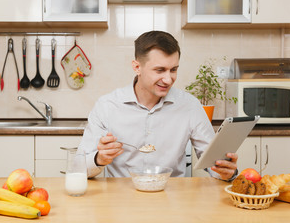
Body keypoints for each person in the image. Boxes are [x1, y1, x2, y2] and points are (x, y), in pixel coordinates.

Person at [78, 30, 238, 181]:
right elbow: (78, 168)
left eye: (173, 70)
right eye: (160, 70)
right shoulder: (107, 106)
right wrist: (99, 159)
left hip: (173, 200)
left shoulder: (190, 106)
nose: (168, 79)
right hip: (121, 201)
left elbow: (214, 165)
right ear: (136, 67)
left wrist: (227, 171)